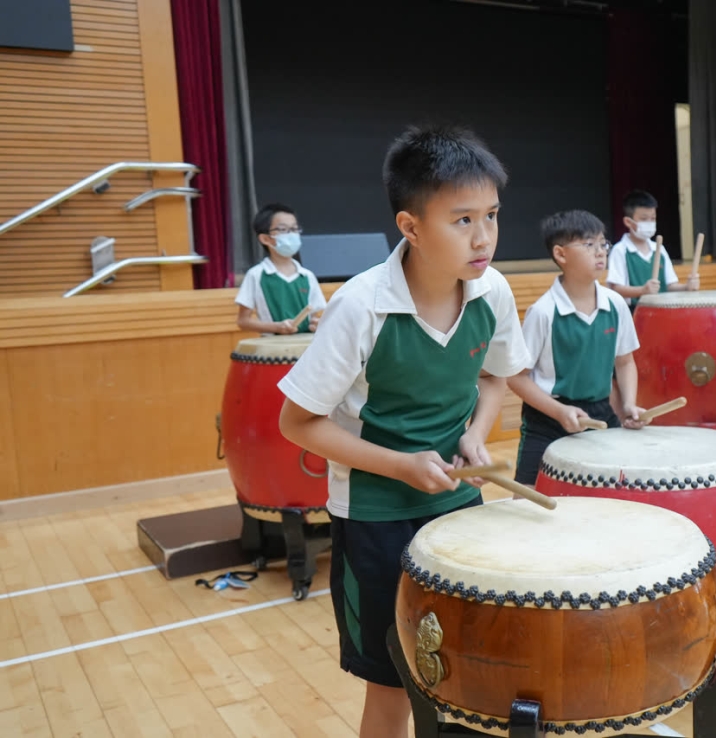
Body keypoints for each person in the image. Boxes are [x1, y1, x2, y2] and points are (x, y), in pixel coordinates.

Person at [276, 126, 530, 738]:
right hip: (375, 516)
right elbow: (297, 423)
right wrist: (400, 465)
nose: (484, 236)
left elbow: (495, 377)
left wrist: (477, 434)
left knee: (466, 673)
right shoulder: (359, 306)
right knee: (393, 683)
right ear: (410, 227)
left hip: (458, 507)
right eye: (462, 220)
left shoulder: (493, 290)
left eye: (492, 215)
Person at [508, 210, 647, 486]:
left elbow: (625, 363)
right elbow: (515, 378)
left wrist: (628, 404)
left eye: (603, 243)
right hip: (548, 419)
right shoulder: (543, 312)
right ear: (561, 254)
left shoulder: (616, 304)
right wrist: (559, 412)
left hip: (600, 412)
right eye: (589, 244)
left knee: (617, 490)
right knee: (527, 497)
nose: (600, 251)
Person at [235, 203, 327, 335]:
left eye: (295, 229)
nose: (292, 234)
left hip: (306, 345)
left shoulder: (307, 276)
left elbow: (314, 317)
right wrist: (276, 327)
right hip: (271, 345)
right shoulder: (256, 275)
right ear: (265, 238)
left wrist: (316, 324)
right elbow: (243, 321)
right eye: (283, 230)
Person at [606, 189, 700, 309]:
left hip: (662, 310)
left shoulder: (659, 249)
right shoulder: (620, 250)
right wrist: (643, 290)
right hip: (634, 312)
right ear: (628, 222)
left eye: (653, 218)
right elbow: (615, 289)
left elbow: (670, 286)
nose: (649, 223)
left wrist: (686, 287)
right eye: (644, 219)